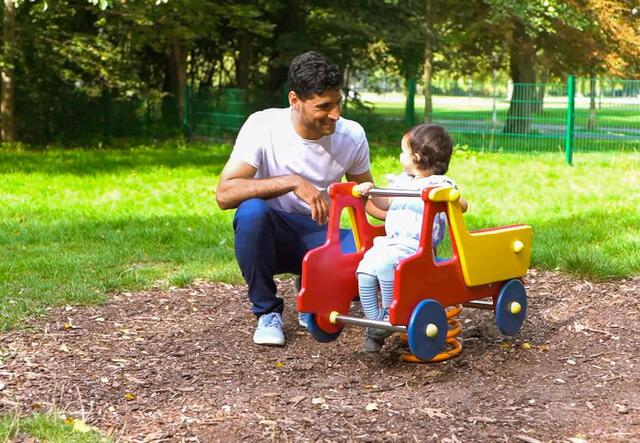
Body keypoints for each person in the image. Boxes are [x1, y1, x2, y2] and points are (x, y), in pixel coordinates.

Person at [215, 51, 381, 347]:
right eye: (324, 106)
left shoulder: (352, 135)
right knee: (251, 212)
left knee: (375, 260)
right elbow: (225, 194)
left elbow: (368, 197)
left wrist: (414, 207)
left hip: (321, 236)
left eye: (338, 102)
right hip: (272, 236)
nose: (336, 114)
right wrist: (292, 182)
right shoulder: (262, 126)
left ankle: (313, 289)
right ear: (295, 100)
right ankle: (267, 312)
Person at [352, 124, 468, 352]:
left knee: (385, 265)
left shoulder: (440, 184)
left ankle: (389, 313)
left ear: (417, 156)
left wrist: (449, 198)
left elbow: (462, 205)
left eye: (403, 151)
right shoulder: (403, 182)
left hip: (417, 247)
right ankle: (377, 321)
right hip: (391, 243)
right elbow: (384, 203)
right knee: (365, 269)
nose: (399, 156)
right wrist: (371, 189)